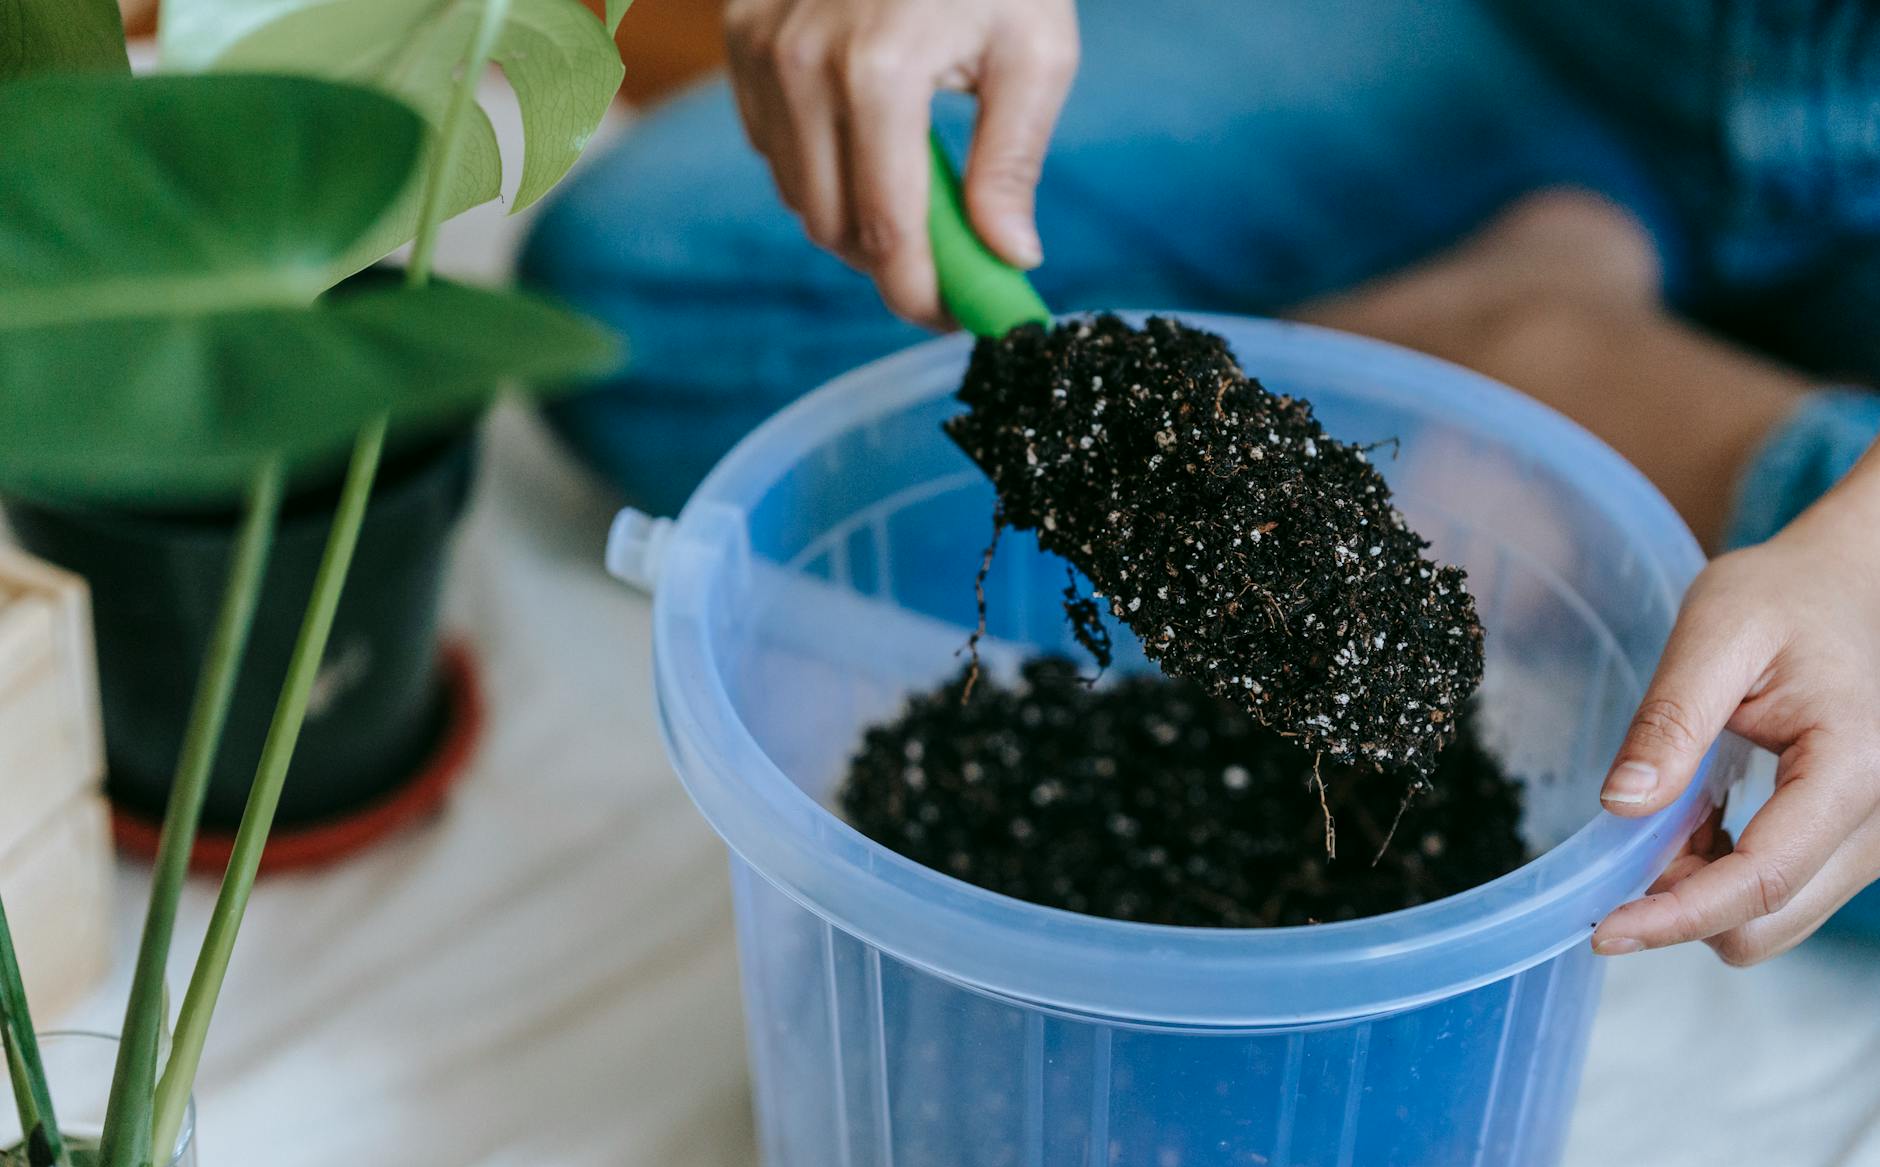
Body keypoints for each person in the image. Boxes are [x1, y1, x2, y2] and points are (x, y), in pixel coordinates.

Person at [520, 0, 1880, 966]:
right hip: (1581, 37)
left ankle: (1557, 359)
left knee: (1825, 794)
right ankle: (1582, 388)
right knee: (649, 294)